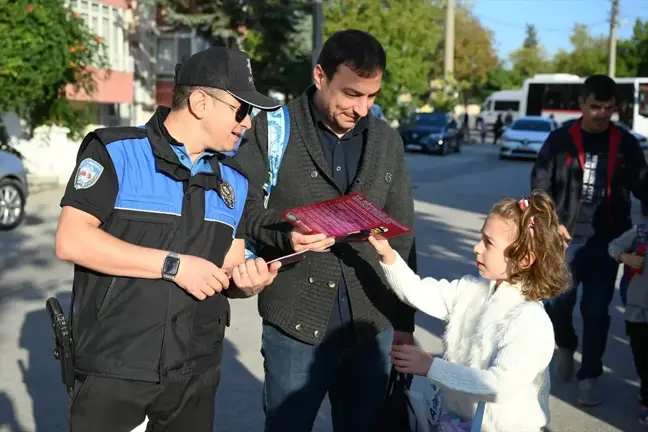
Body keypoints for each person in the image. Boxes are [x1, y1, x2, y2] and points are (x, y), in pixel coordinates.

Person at [55, 46, 282, 432]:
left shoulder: (236, 182)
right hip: (116, 368)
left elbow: (229, 265)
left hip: (195, 372)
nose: (248, 124)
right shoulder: (115, 152)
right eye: (242, 110)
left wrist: (247, 284)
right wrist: (172, 265)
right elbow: (72, 241)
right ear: (199, 102)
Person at [234, 29, 417, 431]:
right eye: (352, 94)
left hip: (373, 324)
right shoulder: (272, 130)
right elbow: (240, 212)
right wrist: (285, 234)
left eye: (372, 96)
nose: (363, 109)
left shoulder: (387, 141)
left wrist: (405, 326)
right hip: (294, 322)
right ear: (320, 76)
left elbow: (403, 238)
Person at [368, 191, 569, 432]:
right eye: (480, 238)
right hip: (460, 422)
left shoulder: (530, 320)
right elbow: (420, 292)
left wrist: (431, 366)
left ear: (524, 259)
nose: (476, 248)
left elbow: (499, 385)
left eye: (488, 243)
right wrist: (388, 255)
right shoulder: (471, 290)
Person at [531, 74, 648, 406]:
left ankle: (590, 375)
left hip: (607, 242)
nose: (601, 114)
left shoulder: (625, 143)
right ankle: (565, 344)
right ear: (581, 104)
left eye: (608, 108)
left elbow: (643, 186)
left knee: (596, 311)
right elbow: (540, 187)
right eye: (595, 106)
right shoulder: (559, 140)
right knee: (558, 304)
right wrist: (550, 223)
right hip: (564, 239)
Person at [608, 201, 648, 424]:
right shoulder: (640, 234)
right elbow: (613, 247)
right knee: (641, 357)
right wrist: (626, 258)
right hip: (637, 311)